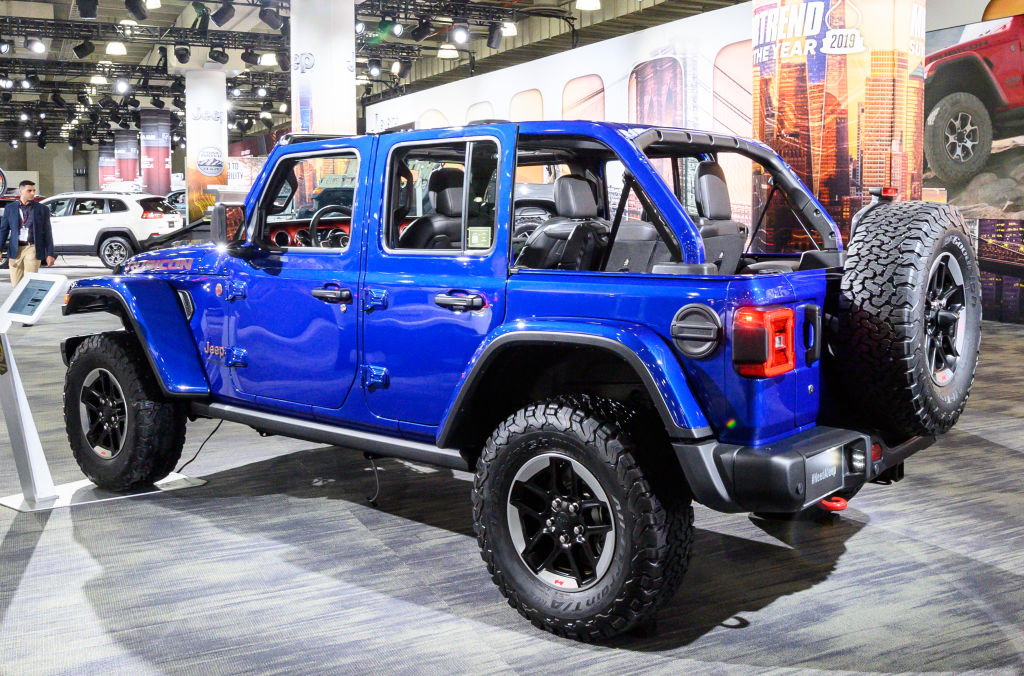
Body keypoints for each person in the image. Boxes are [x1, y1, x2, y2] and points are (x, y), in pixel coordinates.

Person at [0, 180, 56, 288]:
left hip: (32, 248)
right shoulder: (10, 208)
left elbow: (47, 233)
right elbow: (3, 230)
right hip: (15, 249)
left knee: (29, 283)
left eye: (34, 191)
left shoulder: (42, 209)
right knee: (16, 285)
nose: (32, 193)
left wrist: (50, 254)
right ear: (21, 192)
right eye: (29, 191)